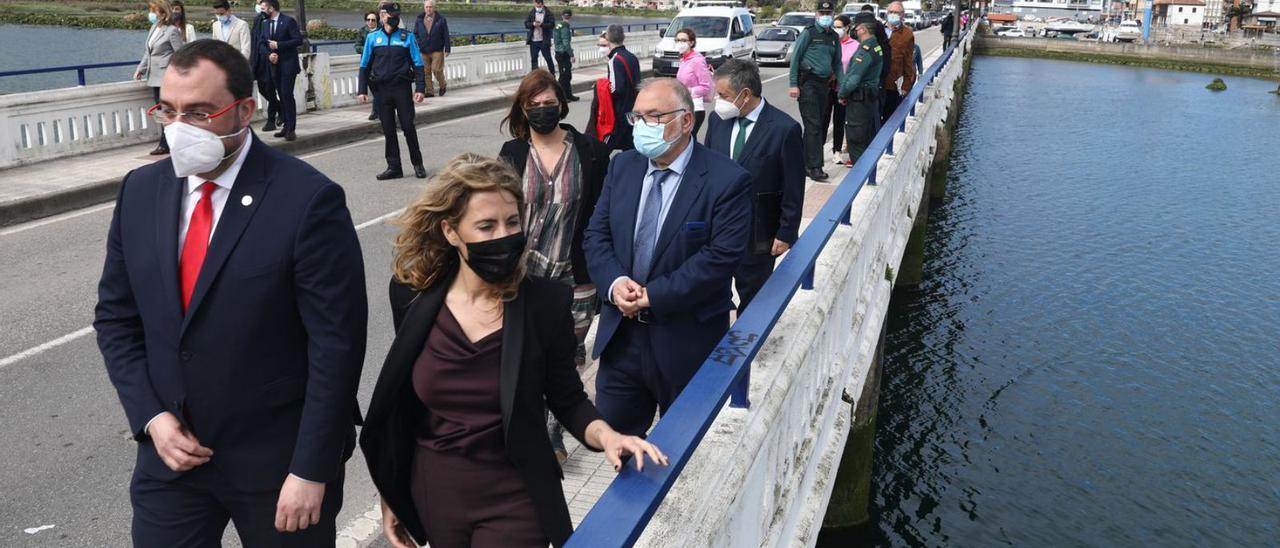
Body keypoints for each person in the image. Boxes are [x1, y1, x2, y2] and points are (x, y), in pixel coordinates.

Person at [96, 39, 367, 546]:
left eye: (200, 112)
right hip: (171, 459)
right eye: (169, 111)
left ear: (245, 110)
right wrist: (151, 418)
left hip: (279, 466)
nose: (180, 129)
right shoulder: (139, 192)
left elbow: (337, 346)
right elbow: (116, 319)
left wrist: (311, 469)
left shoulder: (308, 201)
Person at [360, 153, 666, 548]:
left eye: (512, 222)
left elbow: (568, 399)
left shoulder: (544, 304)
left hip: (514, 496)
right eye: (485, 226)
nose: (503, 236)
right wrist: (392, 492)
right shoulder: (412, 296)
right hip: (435, 493)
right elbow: (405, 405)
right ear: (451, 232)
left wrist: (608, 437)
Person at [582, 78, 752, 436]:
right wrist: (615, 285)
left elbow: (720, 258)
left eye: (654, 117)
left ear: (686, 121)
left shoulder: (727, 180)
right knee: (616, 442)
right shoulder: (623, 167)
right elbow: (597, 235)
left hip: (687, 340)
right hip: (622, 339)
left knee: (684, 448)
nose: (643, 126)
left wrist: (652, 296)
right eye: (637, 117)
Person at [496, 70, 611, 463]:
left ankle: (553, 430)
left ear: (562, 105)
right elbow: (498, 212)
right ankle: (524, 425)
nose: (543, 111)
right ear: (523, 109)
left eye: (549, 104)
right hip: (522, 274)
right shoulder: (512, 154)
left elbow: (599, 215)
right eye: (534, 105)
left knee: (566, 354)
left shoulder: (590, 152)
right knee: (522, 350)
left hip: (573, 274)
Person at [705, 60, 805, 313]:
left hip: (759, 231)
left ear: (745, 94)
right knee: (712, 292)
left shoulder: (784, 129)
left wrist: (785, 233)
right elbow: (705, 169)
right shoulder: (718, 121)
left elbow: (793, 186)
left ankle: (748, 345)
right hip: (717, 228)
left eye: (723, 95)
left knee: (753, 298)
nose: (719, 101)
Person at [358, 2, 428, 181]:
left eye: (397, 15)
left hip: (402, 89)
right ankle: (394, 167)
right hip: (381, 91)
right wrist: (362, 89)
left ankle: (417, 163)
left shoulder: (407, 37)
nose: (395, 18)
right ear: (382, 16)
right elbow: (364, 65)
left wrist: (420, 88)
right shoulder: (373, 38)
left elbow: (418, 64)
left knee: (408, 126)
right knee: (388, 129)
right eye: (391, 15)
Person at [788, 0, 841, 182]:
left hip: (824, 86)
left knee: (816, 125)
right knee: (814, 125)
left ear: (833, 14)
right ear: (817, 15)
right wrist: (793, 84)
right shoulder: (809, 34)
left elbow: (837, 64)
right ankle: (816, 167)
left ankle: (802, 163)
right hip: (808, 84)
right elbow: (795, 59)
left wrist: (840, 85)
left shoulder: (834, 37)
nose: (825, 17)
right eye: (822, 14)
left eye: (828, 14)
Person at [135, 0, 184, 155]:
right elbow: (147, 53)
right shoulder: (153, 28)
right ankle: (168, 142)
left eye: (154, 11)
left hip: (166, 77)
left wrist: (177, 74)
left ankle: (165, 143)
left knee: (166, 111)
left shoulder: (171, 31)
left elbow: (180, 55)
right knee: (161, 110)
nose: (151, 14)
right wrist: (140, 69)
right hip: (154, 77)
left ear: (163, 13)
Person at [587, 25, 639, 151]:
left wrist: (601, 87)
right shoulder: (632, 57)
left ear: (609, 38)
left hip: (619, 111)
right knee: (630, 146)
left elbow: (616, 88)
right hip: (633, 108)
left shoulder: (615, 60)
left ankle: (600, 168)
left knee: (604, 146)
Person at [838, 22, 883, 163]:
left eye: (856, 29)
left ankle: (860, 176)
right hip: (869, 99)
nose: (854, 32)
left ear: (863, 29)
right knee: (866, 135)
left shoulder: (865, 50)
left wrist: (842, 94)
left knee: (856, 138)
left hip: (859, 101)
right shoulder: (876, 46)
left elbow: (854, 78)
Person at [257, 0, 302, 141]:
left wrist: (279, 45)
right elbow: (261, 44)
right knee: (280, 95)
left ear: (271, 8)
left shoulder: (288, 21)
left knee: (286, 94)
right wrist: (269, 55)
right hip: (273, 64)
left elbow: (298, 40)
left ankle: (291, 129)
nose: (261, 11)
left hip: (288, 65)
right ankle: (285, 126)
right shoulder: (265, 24)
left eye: (263, 8)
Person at [826, 14, 858, 166]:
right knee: (822, 120)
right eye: (834, 27)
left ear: (847, 28)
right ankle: (816, 153)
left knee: (839, 121)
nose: (836, 30)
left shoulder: (855, 46)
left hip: (842, 89)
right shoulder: (830, 42)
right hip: (827, 87)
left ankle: (836, 151)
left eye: (839, 27)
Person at [673, 28, 713, 142]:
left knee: (688, 141)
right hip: (683, 107)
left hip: (695, 109)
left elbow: (705, 87)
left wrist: (688, 91)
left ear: (691, 42)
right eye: (677, 40)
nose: (680, 43)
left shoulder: (697, 61)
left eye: (683, 40)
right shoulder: (684, 60)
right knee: (684, 141)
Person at [881, 2, 917, 122]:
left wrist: (906, 85)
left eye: (896, 13)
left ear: (902, 15)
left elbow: (908, 61)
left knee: (888, 120)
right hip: (877, 83)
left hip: (893, 85)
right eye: (891, 12)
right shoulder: (879, 30)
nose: (893, 15)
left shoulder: (907, 34)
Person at [250, 0, 281, 132]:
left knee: (270, 89)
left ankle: (271, 120)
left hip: (271, 59)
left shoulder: (277, 20)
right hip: (259, 59)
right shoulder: (258, 19)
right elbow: (255, 40)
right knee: (263, 89)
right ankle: (282, 109)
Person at [414, 0, 451, 98]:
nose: (428, 9)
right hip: (423, 50)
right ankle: (430, 91)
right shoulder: (419, 19)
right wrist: (419, 43)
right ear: (424, 8)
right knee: (426, 71)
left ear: (434, 8)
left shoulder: (441, 19)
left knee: (436, 70)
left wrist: (447, 48)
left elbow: (445, 34)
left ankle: (443, 85)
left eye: (430, 7)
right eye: (426, 7)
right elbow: (415, 33)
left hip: (437, 49)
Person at [356, 10, 381, 121]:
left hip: (379, 64)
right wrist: (367, 50)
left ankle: (376, 111)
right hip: (367, 64)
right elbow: (357, 46)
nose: (370, 22)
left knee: (379, 89)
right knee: (373, 89)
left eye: (373, 20)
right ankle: (377, 111)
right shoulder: (362, 31)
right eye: (368, 20)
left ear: (377, 21)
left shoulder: (382, 30)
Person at [553, 9, 580, 102]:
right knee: (564, 76)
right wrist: (571, 55)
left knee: (567, 75)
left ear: (562, 16)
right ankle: (561, 97)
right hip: (563, 53)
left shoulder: (558, 25)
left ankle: (568, 95)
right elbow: (566, 43)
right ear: (570, 17)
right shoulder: (565, 27)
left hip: (558, 52)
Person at [525, 0, 556, 74]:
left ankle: (553, 74)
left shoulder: (548, 13)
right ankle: (535, 76)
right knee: (534, 59)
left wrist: (542, 25)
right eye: (536, 5)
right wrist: (533, 24)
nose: (537, 6)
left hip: (544, 40)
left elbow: (552, 25)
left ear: (542, 4)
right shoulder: (531, 12)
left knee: (548, 58)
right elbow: (526, 24)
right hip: (533, 41)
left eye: (539, 5)